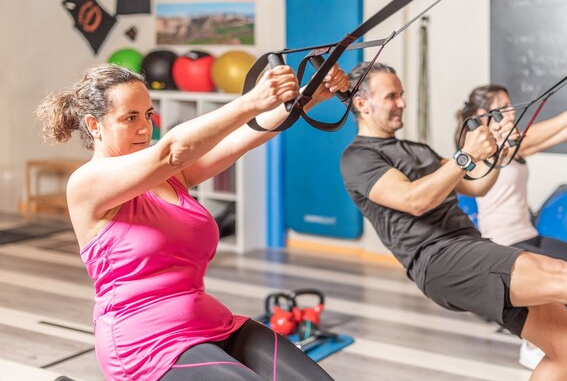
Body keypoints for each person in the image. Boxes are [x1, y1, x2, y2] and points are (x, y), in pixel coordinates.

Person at [36, 62, 349, 381]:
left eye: (147, 114)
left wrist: (311, 95)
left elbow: (245, 136)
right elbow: (173, 150)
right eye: (130, 117)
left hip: (210, 323)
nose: (145, 128)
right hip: (146, 343)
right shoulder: (87, 183)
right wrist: (252, 100)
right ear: (94, 125)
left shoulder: (169, 176)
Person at [340, 61, 567, 381]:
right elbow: (414, 201)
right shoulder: (358, 157)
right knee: (565, 275)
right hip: (439, 258)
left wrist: (491, 155)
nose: (402, 103)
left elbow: (476, 185)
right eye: (392, 96)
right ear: (362, 104)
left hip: (469, 246)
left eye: (402, 94)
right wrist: (465, 155)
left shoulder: (416, 149)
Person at [456, 84, 567, 379]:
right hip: (502, 244)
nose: (512, 111)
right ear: (484, 115)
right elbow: (547, 128)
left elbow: (564, 130)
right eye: (504, 106)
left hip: (528, 234)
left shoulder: (514, 146)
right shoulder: (483, 151)